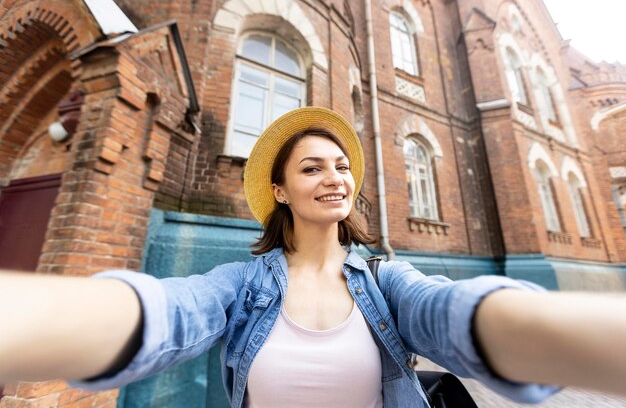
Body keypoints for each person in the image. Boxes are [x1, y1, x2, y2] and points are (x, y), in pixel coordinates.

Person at [1, 107, 626, 408]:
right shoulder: (242, 283)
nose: (335, 178)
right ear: (280, 190)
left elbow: (447, 312)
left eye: (343, 165)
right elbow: (168, 313)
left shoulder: (386, 280)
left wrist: (567, 335)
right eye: (311, 167)